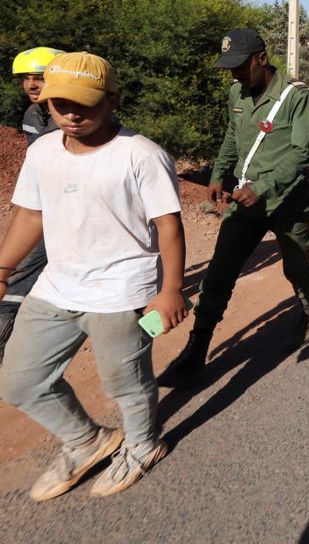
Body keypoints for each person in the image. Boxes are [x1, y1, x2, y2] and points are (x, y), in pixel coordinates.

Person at [0, 52, 184, 499]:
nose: (72, 113)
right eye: (61, 103)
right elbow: (29, 214)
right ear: (46, 101)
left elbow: (169, 225)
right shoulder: (43, 151)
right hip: (56, 286)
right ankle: (87, 441)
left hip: (121, 290)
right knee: (20, 382)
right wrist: (3, 268)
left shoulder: (141, 155)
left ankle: (143, 445)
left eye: (85, 103)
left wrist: (170, 290)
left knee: (124, 381)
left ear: (113, 99)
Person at [158, 29, 309, 388]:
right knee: (218, 274)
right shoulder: (236, 92)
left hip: (286, 201)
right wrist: (218, 173)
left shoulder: (296, 97)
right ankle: (196, 350)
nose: (234, 74)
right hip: (244, 204)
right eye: (229, 67)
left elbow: (302, 153)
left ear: (261, 59)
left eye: (240, 66)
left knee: (296, 266)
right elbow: (232, 137)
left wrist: (262, 187)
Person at [1, 47, 64, 363]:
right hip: (44, 209)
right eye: (26, 78)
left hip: (72, 214)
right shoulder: (30, 116)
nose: (31, 85)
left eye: (39, 77)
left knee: (18, 274)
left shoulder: (74, 118)